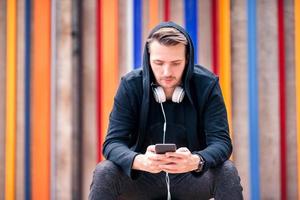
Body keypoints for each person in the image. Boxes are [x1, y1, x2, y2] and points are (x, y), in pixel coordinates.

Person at [89, 21, 243, 200]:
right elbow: (112, 143)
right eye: (158, 63)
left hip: (191, 177)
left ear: (188, 59)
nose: (167, 72)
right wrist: (140, 161)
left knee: (227, 171)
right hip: (142, 179)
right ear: (148, 59)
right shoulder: (130, 85)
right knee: (104, 171)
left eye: (176, 63)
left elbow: (222, 143)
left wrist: (196, 160)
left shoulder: (206, 85)